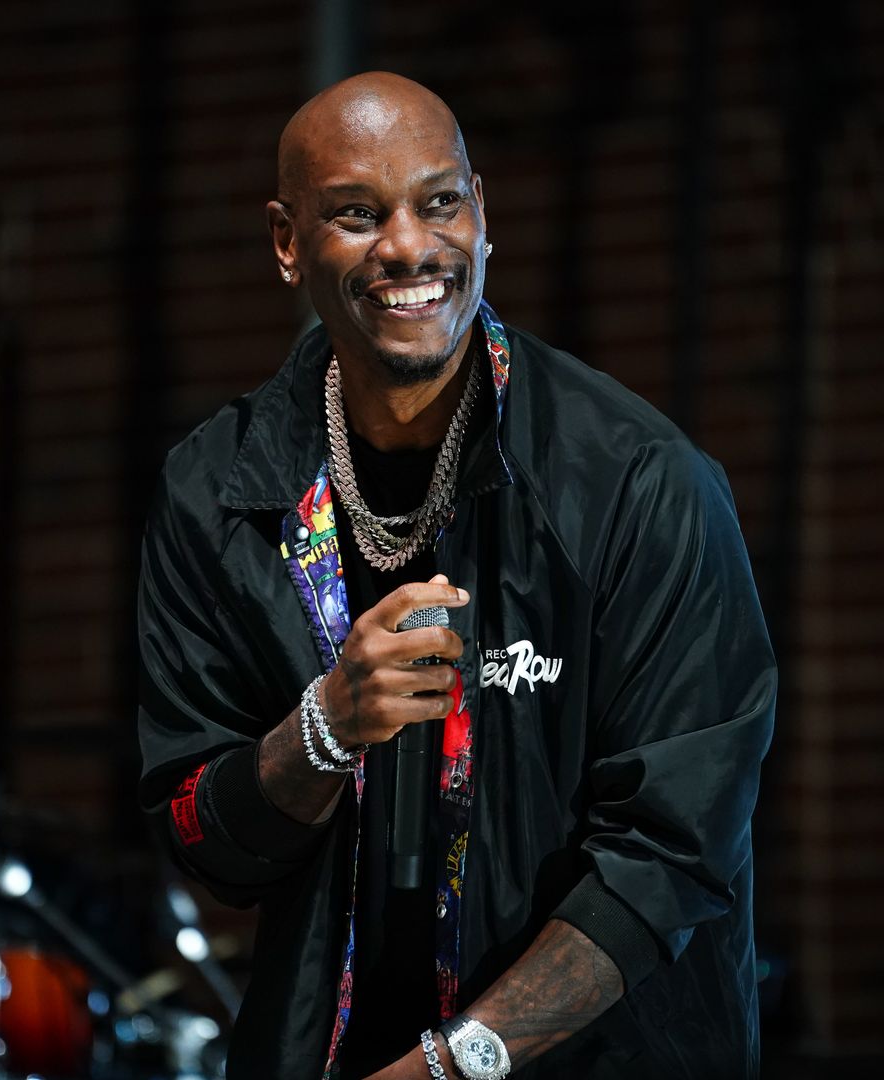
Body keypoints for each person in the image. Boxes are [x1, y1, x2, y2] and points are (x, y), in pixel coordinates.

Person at [137, 71, 776, 1080]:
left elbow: (672, 857)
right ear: (286, 241)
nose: (406, 247)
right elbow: (203, 837)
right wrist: (325, 725)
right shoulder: (219, 493)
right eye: (356, 213)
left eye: (438, 203)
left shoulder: (638, 485)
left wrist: (453, 1066)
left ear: (482, 217)